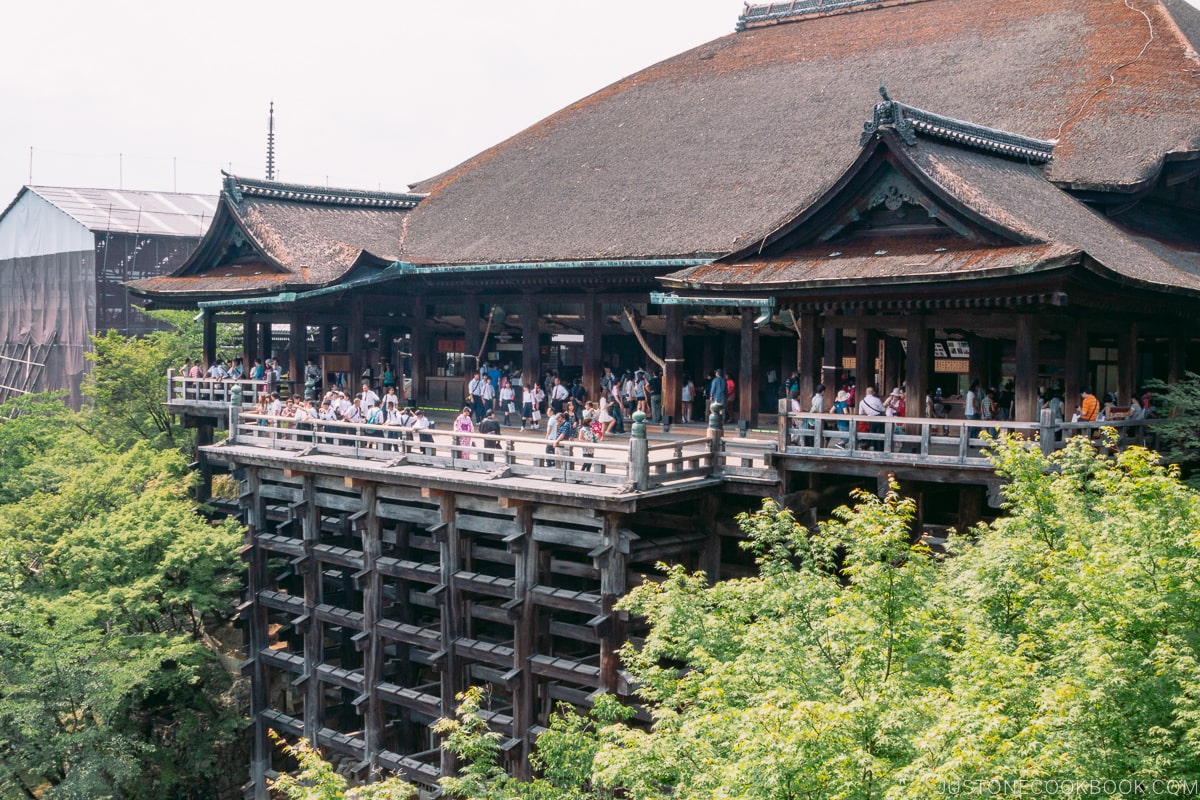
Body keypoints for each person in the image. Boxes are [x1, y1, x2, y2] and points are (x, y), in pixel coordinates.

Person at [857, 385, 885, 450]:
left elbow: (860, 413)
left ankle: (875, 449)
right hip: (879, 418)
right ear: (873, 392)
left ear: (866, 392)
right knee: (880, 434)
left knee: (873, 434)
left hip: (870, 419)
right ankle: (880, 449)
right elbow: (883, 410)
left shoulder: (862, 402)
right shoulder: (877, 400)